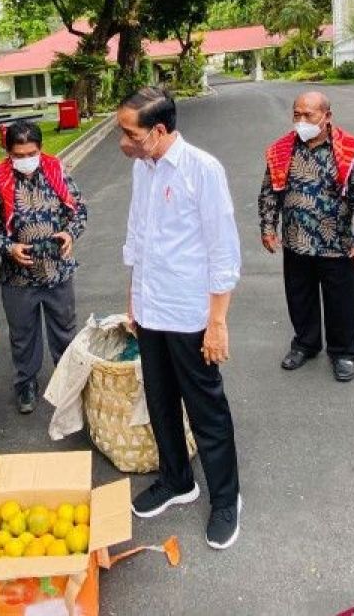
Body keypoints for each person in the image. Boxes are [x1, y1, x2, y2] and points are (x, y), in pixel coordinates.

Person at [118, 87, 243, 550]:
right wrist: (133, 298)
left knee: (207, 410)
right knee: (161, 402)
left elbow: (222, 250)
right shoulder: (141, 167)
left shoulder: (202, 170)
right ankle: (177, 481)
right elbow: (137, 235)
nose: (123, 141)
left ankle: (226, 499)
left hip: (191, 315)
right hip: (151, 310)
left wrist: (217, 321)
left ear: (159, 131)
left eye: (129, 133)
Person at [258, 90, 354, 382]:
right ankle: (305, 344)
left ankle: (344, 352)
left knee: (341, 301)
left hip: (336, 244)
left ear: (327, 117)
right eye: (296, 114)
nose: (301, 120)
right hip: (296, 240)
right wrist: (268, 226)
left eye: (308, 115)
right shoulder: (282, 150)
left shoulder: (347, 150)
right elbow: (269, 191)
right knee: (300, 297)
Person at [0, 120, 87, 414]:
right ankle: (26, 383)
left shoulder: (57, 171)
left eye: (31, 153)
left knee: (65, 330)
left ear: (40, 149)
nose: (26, 160)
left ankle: (70, 384)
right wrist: (8, 247)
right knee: (23, 334)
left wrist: (70, 233)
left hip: (57, 269)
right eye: (19, 155)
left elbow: (78, 212)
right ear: (8, 152)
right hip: (18, 275)